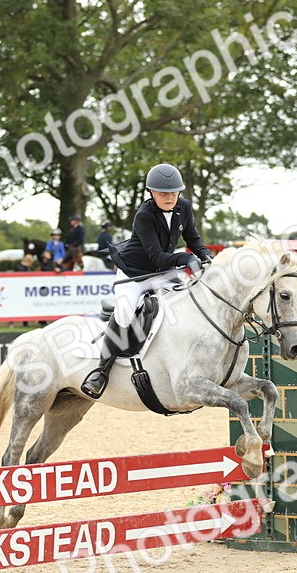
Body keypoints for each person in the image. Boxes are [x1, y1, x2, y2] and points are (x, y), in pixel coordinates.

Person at [79, 162, 213, 399]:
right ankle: (101, 370)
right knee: (124, 312)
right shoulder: (144, 215)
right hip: (135, 274)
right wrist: (185, 258)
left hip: (163, 273)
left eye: (173, 192)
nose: (169, 197)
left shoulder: (184, 207)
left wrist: (204, 255)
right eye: (163, 193)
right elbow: (158, 257)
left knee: (189, 298)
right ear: (151, 192)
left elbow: (193, 237)